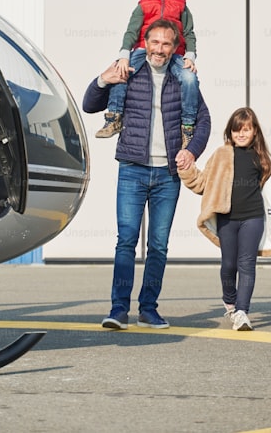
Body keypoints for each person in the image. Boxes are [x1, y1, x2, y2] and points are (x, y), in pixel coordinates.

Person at [82, 18, 211, 330]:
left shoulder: (183, 78)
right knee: (125, 240)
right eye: (155, 42)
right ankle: (118, 310)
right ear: (145, 43)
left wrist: (190, 150)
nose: (160, 49)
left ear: (174, 48)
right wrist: (102, 79)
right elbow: (89, 105)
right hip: (132, 169)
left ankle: (149, 309)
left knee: (159, 244)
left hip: (167, 175)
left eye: (167, 44)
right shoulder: (130, 70)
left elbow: (204, 121)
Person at [179, 107, 271, 331]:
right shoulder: (221, 155)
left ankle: (242, 312)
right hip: (228, 218)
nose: (242, 134)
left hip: (253, 218)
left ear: (255, 131)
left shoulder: (261, 158)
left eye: (247, 129)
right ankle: (230, 301)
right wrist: (186, 169)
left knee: (247, 264)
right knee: (228, 265)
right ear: (230, 132)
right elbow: (202, 183)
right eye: (237, 130)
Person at [96, 0, 200, 148]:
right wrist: (124, 55)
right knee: (121, 72)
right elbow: (131, 31)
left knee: (190, 80)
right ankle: (114, 116)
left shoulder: (181, 5)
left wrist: (190, 56)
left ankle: (187, 127)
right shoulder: (143, 5)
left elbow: (189, 33)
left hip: (173, 52)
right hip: (144, 50)